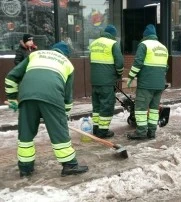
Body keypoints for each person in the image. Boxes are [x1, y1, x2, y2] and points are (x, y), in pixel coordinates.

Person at [4, 42, 88, 177]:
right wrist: (62, 117)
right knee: (59, 133)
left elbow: (11, 78)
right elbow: (67, 96)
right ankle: (70, 165)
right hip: (52, 95)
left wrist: (13, 98)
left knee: (25, 133)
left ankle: (25, 168)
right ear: (66, 55)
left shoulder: (35, 55)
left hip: (26, 96)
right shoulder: (67, 64)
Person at [126, 24, 169, 140]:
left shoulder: (144, 45)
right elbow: (166, 67)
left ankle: (141, 132)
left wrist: (130, 77)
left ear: (145, 35)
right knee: (154, 110)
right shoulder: (163, 47)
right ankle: (151, 131)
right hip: (159, 84)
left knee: (140, 108)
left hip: (146, 84)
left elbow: (138, 63)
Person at [89, 25, 124, 138]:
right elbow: (119, 63)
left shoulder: (94, 44)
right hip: (107, 81)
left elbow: (92, 61)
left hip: (95, 81)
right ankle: (103, 131)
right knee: (107, 105)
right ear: (113, 34)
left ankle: (96, 128)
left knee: (97, 106)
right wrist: (119, 74)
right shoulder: (113, 44)